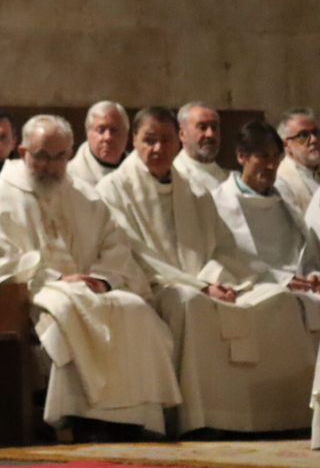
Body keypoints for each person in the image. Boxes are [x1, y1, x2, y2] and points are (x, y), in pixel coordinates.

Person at [97, 107, 314, 434]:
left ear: (178, 141)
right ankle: (201, 419)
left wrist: (219, 279)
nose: (158, 148)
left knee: (279, 300)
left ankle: (282, 416)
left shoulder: (192, 189)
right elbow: (134, 255)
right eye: (150, 140)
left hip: (206, 281)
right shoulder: (113, 189)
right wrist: (199, 285)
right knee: (190, 303)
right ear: (134, 141)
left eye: (166, 140)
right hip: (155, 286)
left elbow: (224, 247)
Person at [0, 114, 179, 435]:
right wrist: (55, 279)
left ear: (70, 154)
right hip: (33, 292)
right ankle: (78, 418)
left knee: (136, 309)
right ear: (23, 152)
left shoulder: (86, 195)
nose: (50, 166)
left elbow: (115, 247)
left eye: (59, 157)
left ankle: (135, 418)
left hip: (89, 286)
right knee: (67, 307)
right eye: (42, 156)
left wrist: (102, 279)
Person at [211, 120, 320, 289]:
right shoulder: (218, 204)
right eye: (263, 156)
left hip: (298, 291)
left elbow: (304, 258)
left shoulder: (285, 205)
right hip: (249, 291)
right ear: (241, 156)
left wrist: (311, 276)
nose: (272, 165)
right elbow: (225, 261)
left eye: (276, 156)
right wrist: (281, 281)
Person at [68, 100, 129, 192]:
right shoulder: (71, 176)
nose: (108, 137)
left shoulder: (137, 171)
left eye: (114, 130)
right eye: (101, 130)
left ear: (126, 134)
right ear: (88, 133)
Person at [172, 102, 228, 194]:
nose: (210, 134)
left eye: (214, 128)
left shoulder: (228, 178)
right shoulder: (176, 175)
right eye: (202, 127)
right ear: (182, 134)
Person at [277, 108, 320, 212]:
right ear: (286, 144)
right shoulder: (280, 180)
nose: (314, 140)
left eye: (316, 133)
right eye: (304, 135)